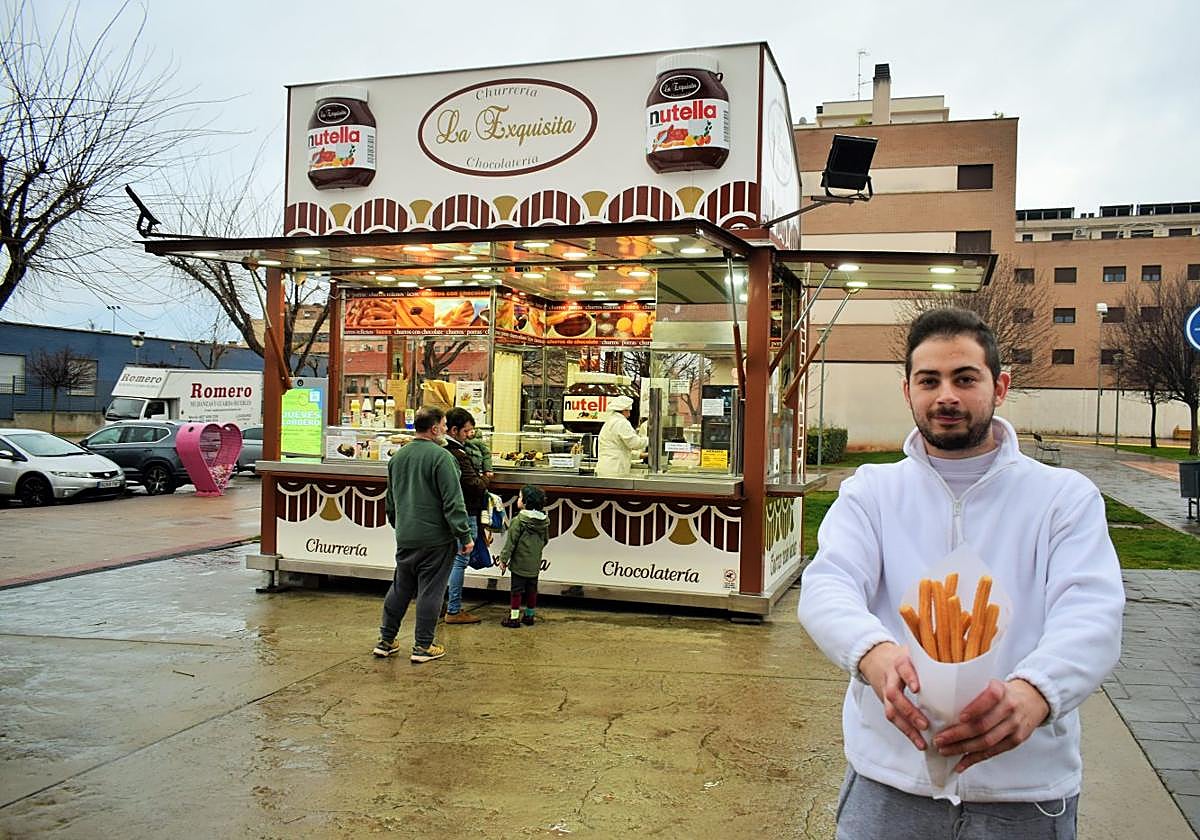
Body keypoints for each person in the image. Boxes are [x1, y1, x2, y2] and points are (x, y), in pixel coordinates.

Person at [797, 308, 1124, 839]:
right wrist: (873, 655)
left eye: (965, 378)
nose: (945, 396)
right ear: (908, 391)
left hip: (1024, 790)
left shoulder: (1062, 498)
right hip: (890, 779)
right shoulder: (871, 493)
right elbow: (827, 586)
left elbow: (1093, 613)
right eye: (929, 380)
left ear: (1000, 384)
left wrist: (1036, 693)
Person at [373, 406, 474, 663]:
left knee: (401, 587)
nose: (444, 429)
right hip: (436, 538)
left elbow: (391, 501)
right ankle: (423, 646)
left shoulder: (398, 457)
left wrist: (401, 525)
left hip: (407, 535)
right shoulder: (441, 458)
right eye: (442, 424)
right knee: (431, 591)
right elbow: (453, 501)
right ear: (434, 428)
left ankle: (386, 640)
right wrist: (464, 535)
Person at [442, 407, 490, 624]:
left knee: (446, 561)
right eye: (466, 431)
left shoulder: (440, 451)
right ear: (454, 430)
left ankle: (441, 605)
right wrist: (486, 478)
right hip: (465, 510)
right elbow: (474, 485)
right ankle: (453, 609)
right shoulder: (458, 454)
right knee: (460, 559)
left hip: (446, 511)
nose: (469, 435)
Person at [497, 484, 549, 627]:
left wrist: (503, 559)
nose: (518, 499)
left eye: (520, 497)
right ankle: (529, 616)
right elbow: (545, 540)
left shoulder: (518, 521)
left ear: (525, 502)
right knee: (532, 591)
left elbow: (511, 543)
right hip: (534, 563)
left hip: (519, 563)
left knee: (516, 591)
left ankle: (514, 618)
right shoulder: (544, 521)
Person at [595, 395, 648, 478]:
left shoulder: (610, 421)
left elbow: (619, 448)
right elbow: (634, 444)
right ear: (624, 410)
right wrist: (650, 440)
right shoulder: (622, 422)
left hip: (606, 468)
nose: (629, 415)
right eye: (629, 411)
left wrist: (640, 455)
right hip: (615, 470)